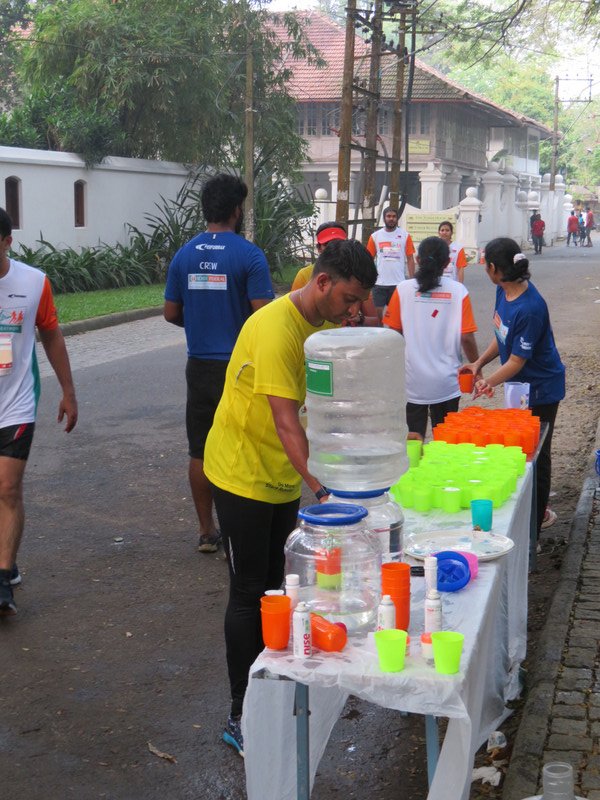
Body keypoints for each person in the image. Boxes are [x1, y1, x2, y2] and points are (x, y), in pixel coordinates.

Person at [203, 239, 377, 756]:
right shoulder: (278, 329)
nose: (354, 310)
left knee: (281, 590)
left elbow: (321, 406)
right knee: (248, 591)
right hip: (241, 474)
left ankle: (273, 693)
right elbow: (285, 420)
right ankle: (240, 714)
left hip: (280, 473)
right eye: (349, 298)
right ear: (321, 283)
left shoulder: (319, 324)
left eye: (360, 302)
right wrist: (322, 490)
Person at [164, 173, 274, 554]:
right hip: (239, 369)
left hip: (199, 366)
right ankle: (237, 532)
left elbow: (170, 312)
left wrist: (196, 320)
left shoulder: (184, 254)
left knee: (200, 448)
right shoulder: (248, 255)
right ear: (236, 209)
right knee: (243, 448)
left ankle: (206, 530)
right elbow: (264, 317)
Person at [0, 207, 78, 615]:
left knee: (8, 489)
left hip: (15, 403)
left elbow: (51, 337)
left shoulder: (32, 283)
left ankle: (3, 575)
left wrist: (68, 391)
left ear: (7, 241)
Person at [465, 237, 565, 537]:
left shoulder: (530, 307)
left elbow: (517, 361)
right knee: (519, 451)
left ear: (495, 268)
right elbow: (502, 334)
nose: (484, 268)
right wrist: (478, 363)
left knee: (538, 454)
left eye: (486, 264)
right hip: (519, 387)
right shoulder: (503, 291)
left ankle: (536, 522)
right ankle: (526, 511)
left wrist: (487, 383)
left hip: (542, 388)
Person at [382, 236, 479, 440]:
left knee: (412, 443)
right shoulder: (458, 291)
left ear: (417, 259)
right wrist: (476, 365)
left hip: (412, 382)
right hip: (447, 384)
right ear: (447, 263)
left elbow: (391, 335)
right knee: (444, 444)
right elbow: (467, 338)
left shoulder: (403, 289)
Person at [293, 222, 379, 326]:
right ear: (319, 248)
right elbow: (295, 314)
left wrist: (359, 319)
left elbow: (375, 319)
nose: (333, 248)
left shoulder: (357, 277)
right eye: (328, 244)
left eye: (338, 243)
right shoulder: (304, 274)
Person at [366, 206, 415, 316]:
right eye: (388, 216)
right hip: (379, 284)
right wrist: (369, 279)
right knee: (380, 316)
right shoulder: (375, 236)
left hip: (398, 283)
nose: (391, 219)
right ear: (384, 218)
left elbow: (410, 259)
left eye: (394, 216)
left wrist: (412, 280)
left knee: (396, 316)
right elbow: (368, 259)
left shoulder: (405, 236)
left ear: (397, 218)